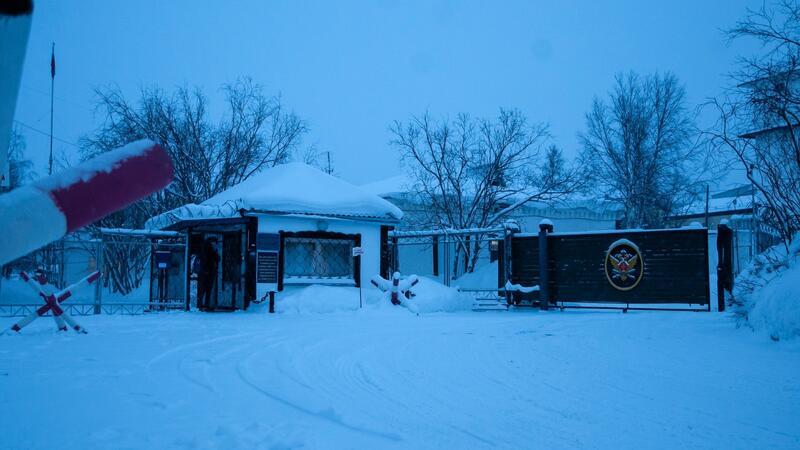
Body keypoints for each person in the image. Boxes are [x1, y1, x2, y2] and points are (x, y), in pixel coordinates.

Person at [196, 237, 220, 311]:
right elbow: (217, 259)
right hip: (208, 272)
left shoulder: (204, 250)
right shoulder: (210, 251)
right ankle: (205, 305)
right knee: (207, 289)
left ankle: (201, 305)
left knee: (203, 289)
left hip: (204, 272)